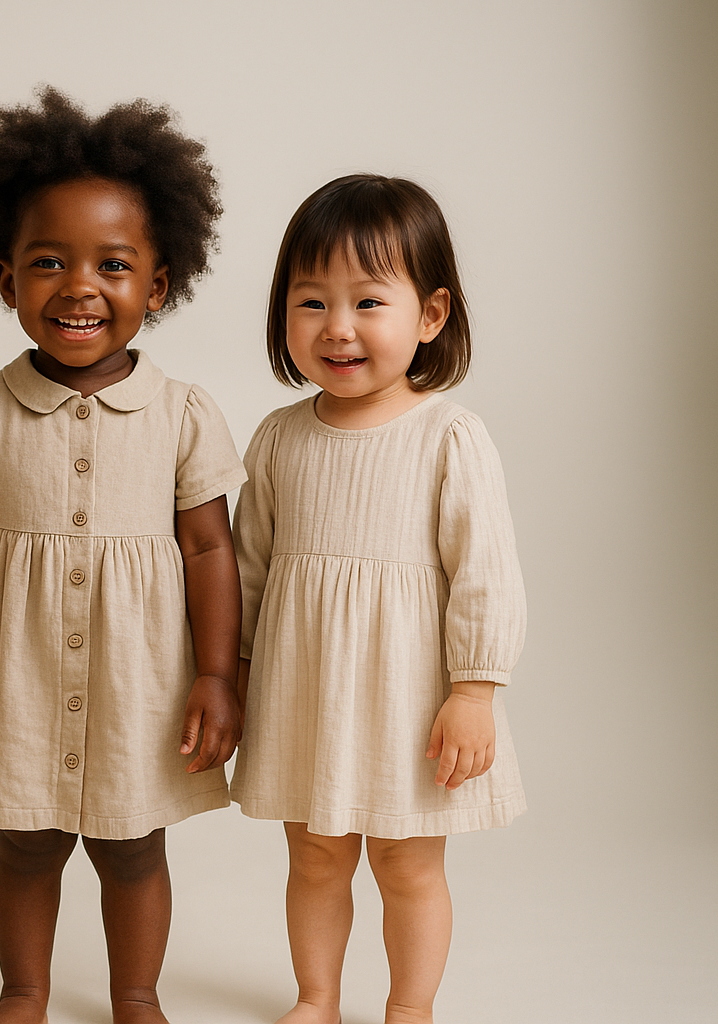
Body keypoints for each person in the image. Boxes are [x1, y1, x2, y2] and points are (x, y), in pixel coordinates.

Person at [0, 88, 245, 1024]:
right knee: (25, 842)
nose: (79, 287)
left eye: (113, 264)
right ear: (5, 278)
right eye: (48, 262)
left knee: (134, 847)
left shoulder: (184, 413)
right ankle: (23, 990)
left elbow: (210, 549)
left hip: (140, 682)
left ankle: (135, 995)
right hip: (17, 677)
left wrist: (217, 675)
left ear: (158, 285)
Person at [232, 173, 528, 1024]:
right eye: (312, 302)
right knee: (314, 856)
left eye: (368, 302)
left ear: (430, 315)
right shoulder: (280, 437)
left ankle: (410, 1007)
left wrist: (475, 690)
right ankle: (317, 996)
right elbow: (249, 567)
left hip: (409, 700)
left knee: (407, 864)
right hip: (306, 693)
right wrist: (236, 671)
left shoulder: (448, 436)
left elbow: (485, 572)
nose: (338, 327)